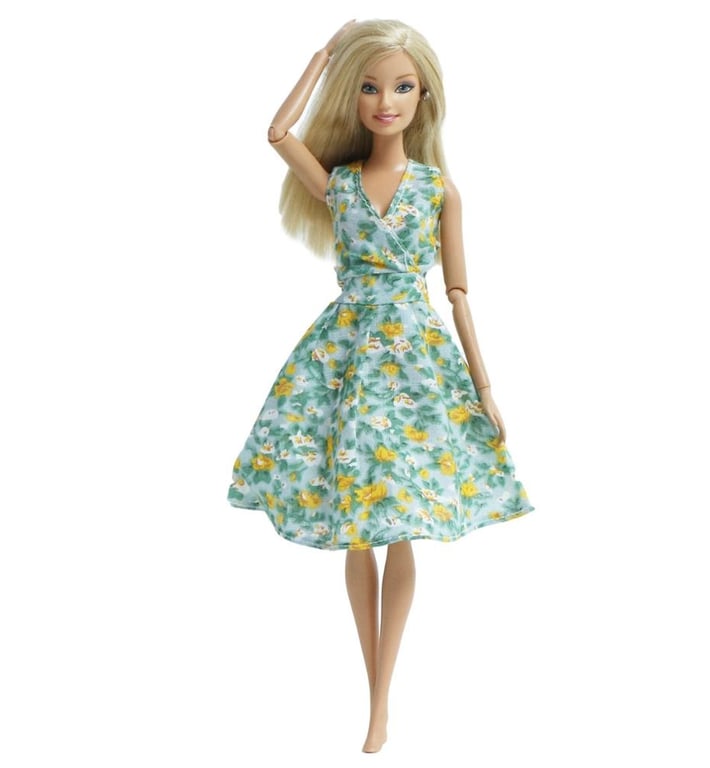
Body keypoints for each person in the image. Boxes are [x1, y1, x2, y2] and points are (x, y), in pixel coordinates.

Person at [227, 19, 533, 753]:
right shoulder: (339, 185)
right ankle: (377, 702)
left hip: (416, 364)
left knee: (397, 524)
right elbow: (277, 133)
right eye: (369, 88)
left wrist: (485, 385)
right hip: (346, 358)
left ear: (424, 97)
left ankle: (380, 702)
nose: (385, 101)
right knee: (359, 526)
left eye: (400, 87)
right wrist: (322, 57)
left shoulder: (438, 190)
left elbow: (458, 293)